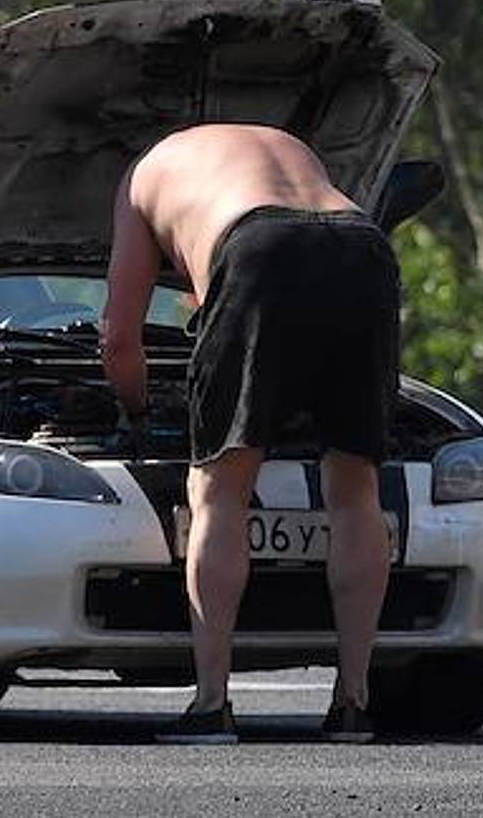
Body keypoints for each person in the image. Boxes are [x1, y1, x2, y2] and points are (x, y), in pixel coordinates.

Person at [101, 123, 401, 744]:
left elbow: (119, 339)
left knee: (221, 491)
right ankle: (353, 705)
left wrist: (133, 411)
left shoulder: (141, 176)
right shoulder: (281, 144)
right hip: (362, 245)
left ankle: (212, 705)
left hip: (259, 246)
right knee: (355, 492)